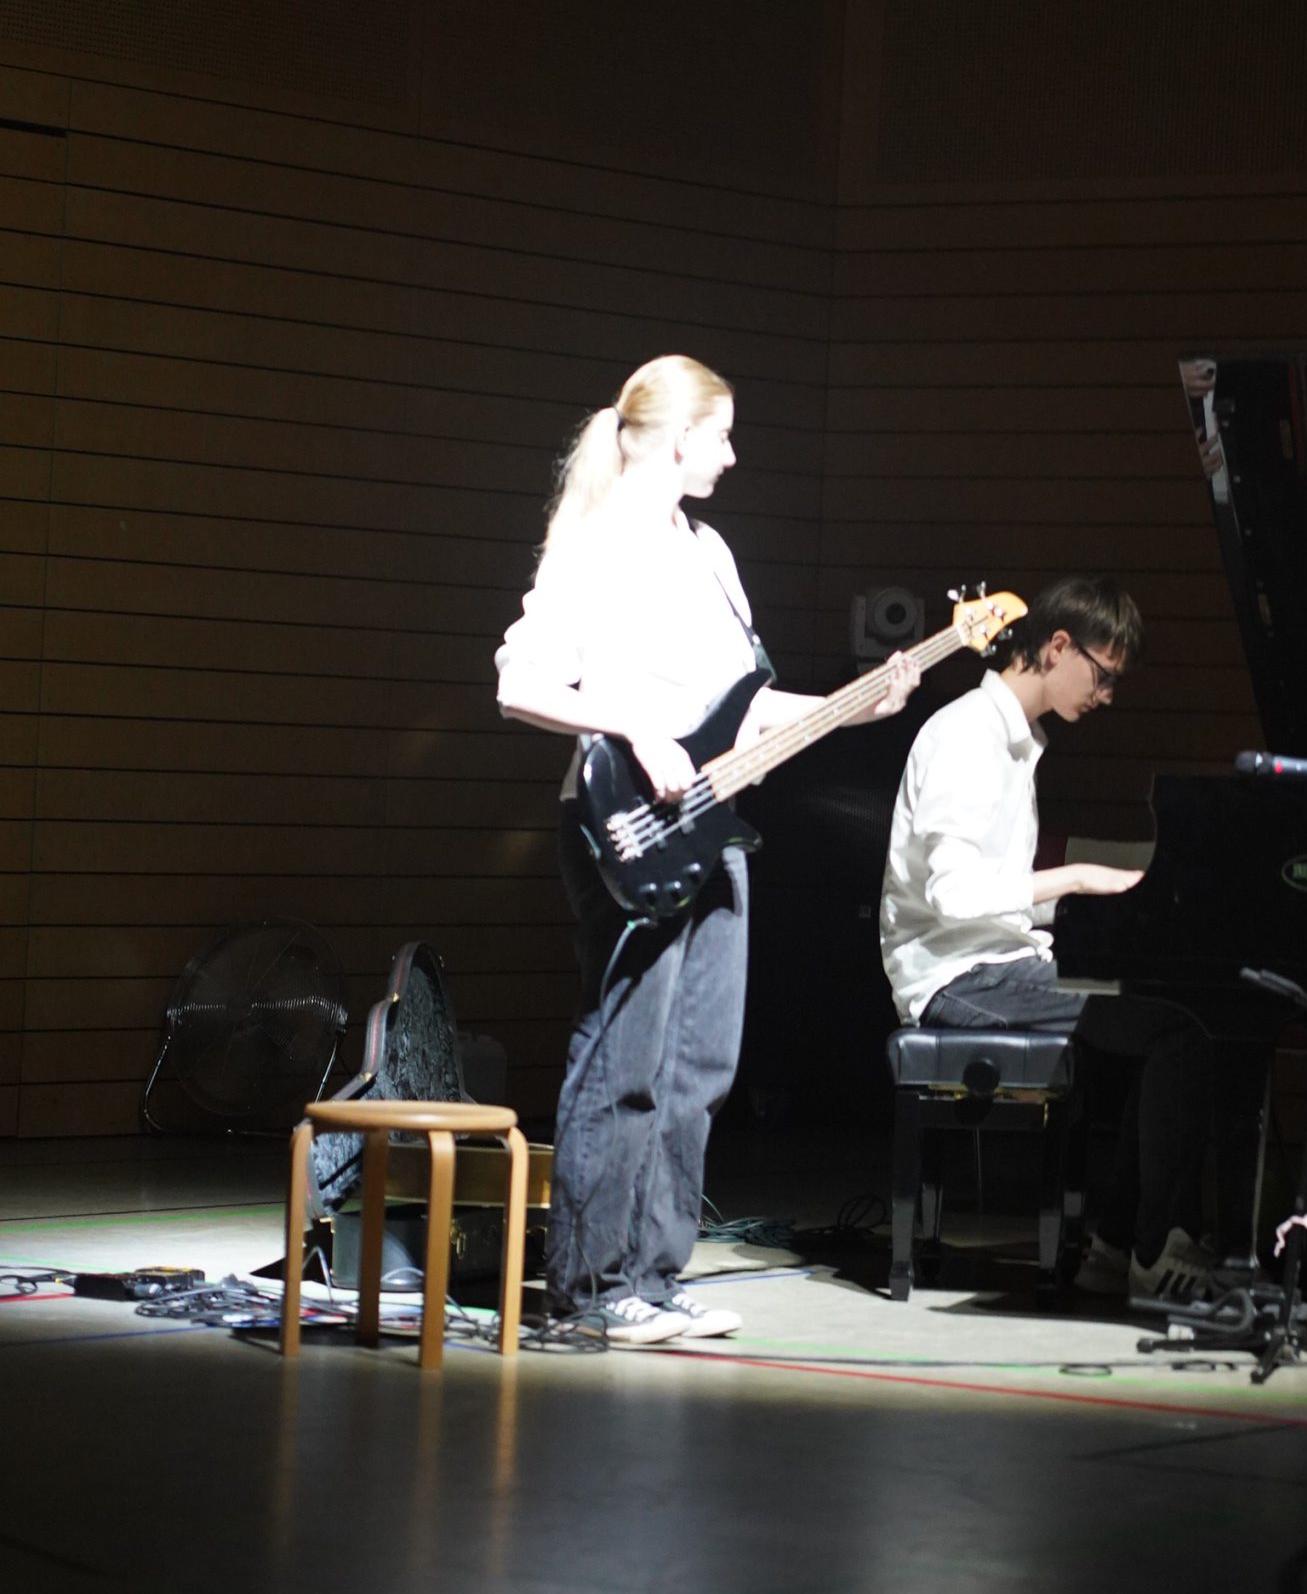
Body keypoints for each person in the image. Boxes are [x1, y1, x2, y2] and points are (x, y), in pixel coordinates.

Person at [497, 354, 914, 1345]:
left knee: (700, 1064)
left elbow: (743, 708)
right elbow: (520, 682)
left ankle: (653, 1273)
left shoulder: (709, 550)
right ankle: (589, 1289)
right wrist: (635, 728)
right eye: (721, 436)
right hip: (624, 823)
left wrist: (855, 706)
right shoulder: (599, 542)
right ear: (681, 436)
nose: (730, 456)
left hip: (712, 825)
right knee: (626, 1055)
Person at [880, 572, 1225, 1304]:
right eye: (1103, 675)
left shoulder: (1016, 740)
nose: (1106, 696)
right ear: (1058, 646)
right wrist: (1076, 878)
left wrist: (1104, 913)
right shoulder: (967, 735)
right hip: (952, 978)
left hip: (995, 961)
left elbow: (1001, 905)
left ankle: (1116, 1247)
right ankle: (1152, 1248)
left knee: (1171, 1012)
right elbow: (952, 896)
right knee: (1177, 1027)